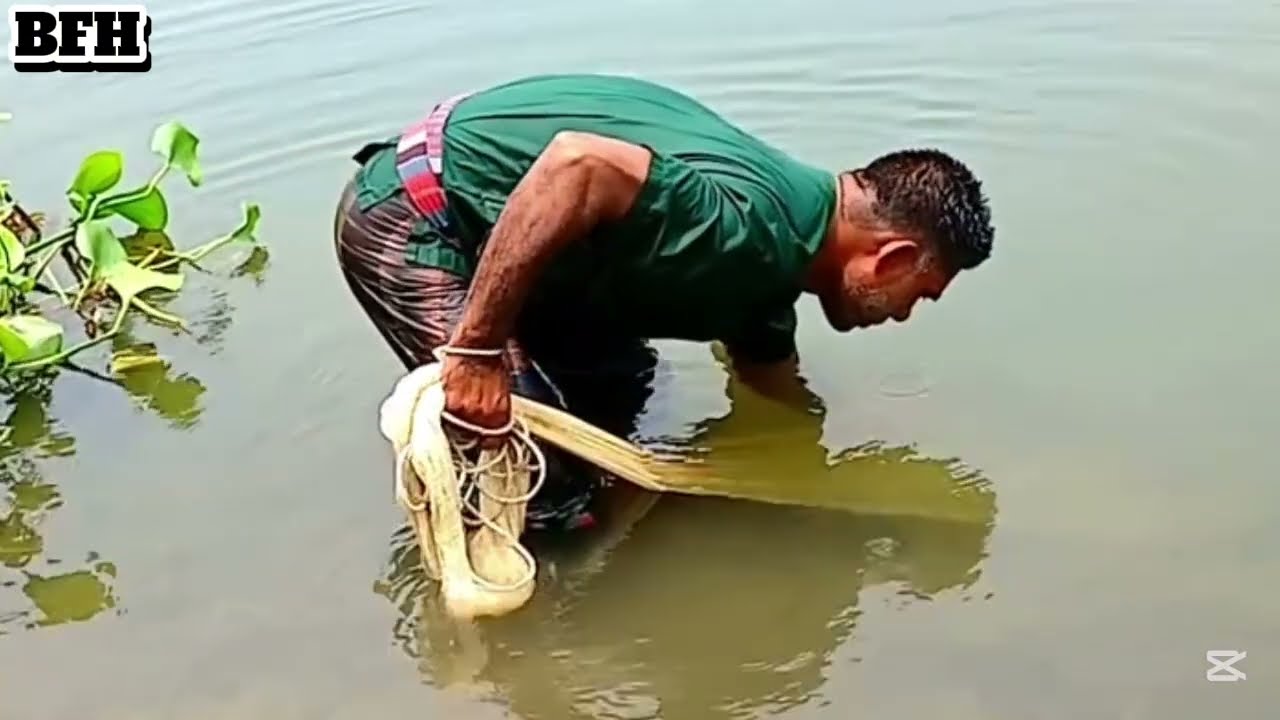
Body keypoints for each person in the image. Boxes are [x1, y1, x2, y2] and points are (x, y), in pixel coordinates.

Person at [334, 73, 994, 533]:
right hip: (418, 213)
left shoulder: (776, 268)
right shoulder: (746, 228)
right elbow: (577, 165)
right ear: (894, 258)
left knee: (624, 383)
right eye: (918, 297)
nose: (903, 316)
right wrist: (475, 350)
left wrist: (811, 482)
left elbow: (776, 392)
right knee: (551, 493)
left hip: (517, 235)